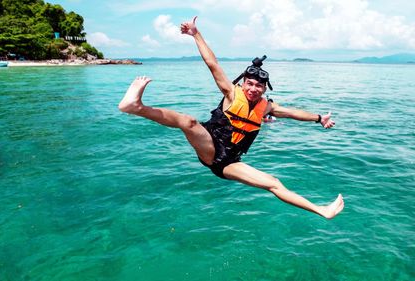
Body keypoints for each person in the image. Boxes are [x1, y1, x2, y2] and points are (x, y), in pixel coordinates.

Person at [118, 16, 344, 219]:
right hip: (209, 145)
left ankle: (322, 211)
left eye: (259, 86)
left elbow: (294, 113)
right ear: (243, 83)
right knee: (189, 122)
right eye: (250, 84)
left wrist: (319, 118)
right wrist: (196, 34)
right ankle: (136, 107)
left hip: (228, 162)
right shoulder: (231, 92)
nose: (254, 89)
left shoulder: (267, 107)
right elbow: (212, 64)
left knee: (273, 183)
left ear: (265, 88)